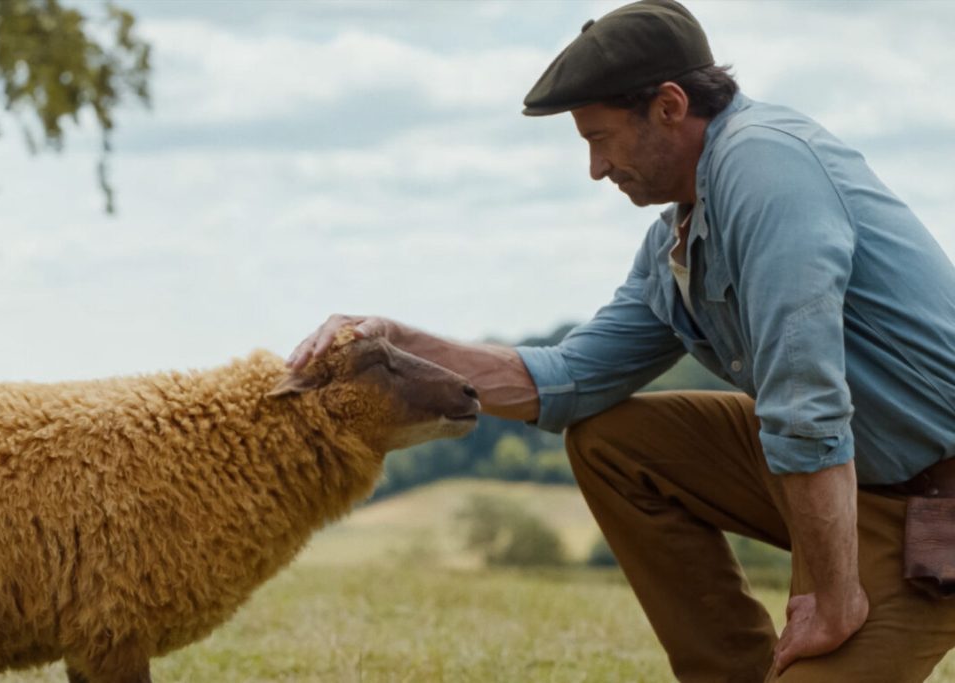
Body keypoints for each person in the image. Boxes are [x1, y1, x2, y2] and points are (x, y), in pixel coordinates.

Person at [288, 1, 955, 680]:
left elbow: (806, 403)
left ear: (668, 106)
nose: (596, 168)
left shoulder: (765, 167)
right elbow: (564, 379)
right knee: (612, 440)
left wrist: (837, 598)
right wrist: (394, 342)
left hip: (935, 509)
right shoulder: (678, 237)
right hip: (840, 478)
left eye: (600, 138)